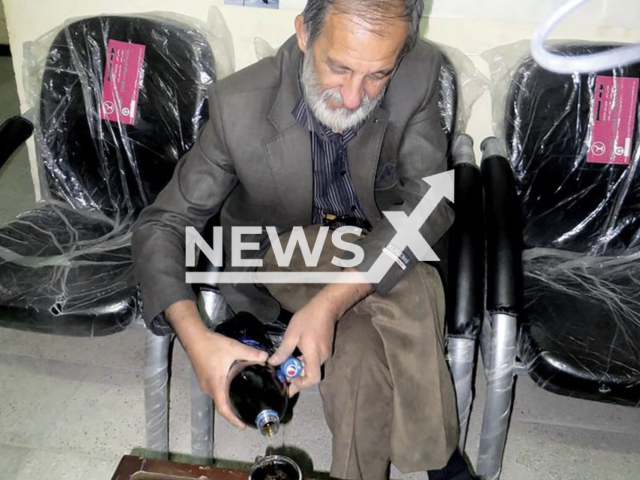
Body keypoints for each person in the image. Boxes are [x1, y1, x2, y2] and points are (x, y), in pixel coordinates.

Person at [132, 1, 475, 479]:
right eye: (339, 67)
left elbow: (428, 201)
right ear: (303, 34)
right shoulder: (239, 103)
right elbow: (162, 224)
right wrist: (196, 339)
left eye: (378, 75)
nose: (356, 97)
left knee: (357, 346)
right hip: (281, 254)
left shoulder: (419, 72)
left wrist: (332, 304)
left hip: (375, 244)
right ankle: (443, 464)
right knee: (413, 284)